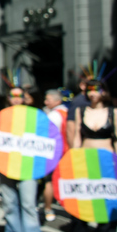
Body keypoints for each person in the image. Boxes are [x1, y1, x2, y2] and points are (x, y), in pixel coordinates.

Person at [60, 79, 117, 232]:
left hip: (107, 164)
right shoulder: (81, 111)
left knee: (108, 203)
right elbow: (78, 138)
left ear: (104, 91)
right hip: (85, 162)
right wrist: (73, 158)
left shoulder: (113, 112)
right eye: (90, 89)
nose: (93, 93)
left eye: (97, 89)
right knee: (80, 201)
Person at [0, 87, 46, 232]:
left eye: (21, 95)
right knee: (10, 202)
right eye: (13, 95)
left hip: (28, 165)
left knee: (29, 203)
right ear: (8, 97)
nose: (17, 98)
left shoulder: (35, 115)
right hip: (6, 164)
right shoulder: (2, 116)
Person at [41, 88, 69, 222]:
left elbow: (46, 134)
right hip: (67, 152)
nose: (45, 102)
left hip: (55, 153)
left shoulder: (53, 115)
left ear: (57, 100)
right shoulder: (67, 112)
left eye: (48, 100)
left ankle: (48, 208)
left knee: (49, 181)